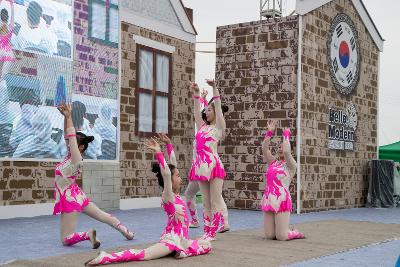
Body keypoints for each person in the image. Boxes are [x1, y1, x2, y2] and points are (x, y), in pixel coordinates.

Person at [85, 137, 211, 266]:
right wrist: (158, 153)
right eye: (177, 176)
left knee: (207, 245)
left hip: (183, 240)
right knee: (144, 254)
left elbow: (172, 164)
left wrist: (168, 145)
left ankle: (182, 252)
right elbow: (167, 173)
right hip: (171, 240)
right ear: (169, 180)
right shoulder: (168, 196)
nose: (180, 178)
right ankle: (106, 257)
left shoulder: (177, 195)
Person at [54, 104, 134, 249]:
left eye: (71, 142)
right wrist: (65, 117)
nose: (68, 142)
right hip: (77, 195)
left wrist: (69, 116)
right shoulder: (70, 157)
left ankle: (88, 234)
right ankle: (125, 231)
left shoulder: (76, 160)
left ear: (81, 147)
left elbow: (71, 135)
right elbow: (68, 134)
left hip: (71, 199)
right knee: (102, 215)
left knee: (66, 239)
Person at [184, 89, 230, 233]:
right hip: (201, 167)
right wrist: (197, 95)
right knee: (205, 203)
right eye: (206, 110)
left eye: (209, 110)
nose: (206, 112)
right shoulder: (202, 127)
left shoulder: (218, 128)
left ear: (216, 112)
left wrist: (214, 88)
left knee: (215, 201)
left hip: (214, 166)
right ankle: (207, 231)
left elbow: (217, 105)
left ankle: (218, 227)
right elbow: (197, 111)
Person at [261, 120, 305, 241]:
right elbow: (264, 148)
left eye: (282, 146)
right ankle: (284, 228)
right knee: (270, 236)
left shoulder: (291, 166)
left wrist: (286, 135)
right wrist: (269, 133)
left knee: (281, 237)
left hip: (282, 200)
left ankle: (294, 232)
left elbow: (286, 151)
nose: (280, 149)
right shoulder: (273, 162)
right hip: (269, 199)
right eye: (279, 147)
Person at [0, 0, 15, 81]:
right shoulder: (10, 27)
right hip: (7, 52)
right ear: (7, 17)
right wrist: (11, 4)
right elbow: (13, 17)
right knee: (2, 76)